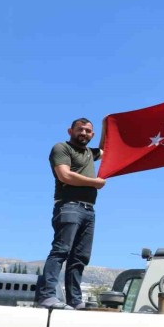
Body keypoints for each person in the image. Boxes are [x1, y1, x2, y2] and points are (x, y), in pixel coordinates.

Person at [38, 118, 105, 309]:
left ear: (92, 135)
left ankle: (75, 300)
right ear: (70, 131)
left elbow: (107, 150)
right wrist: (94, 182)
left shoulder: (90, 154)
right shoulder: (62, 148)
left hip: (89, 210)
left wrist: (106, 125)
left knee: (80, 257)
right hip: (69, 206)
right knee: (61, 250)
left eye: (88, 131)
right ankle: (47, 296)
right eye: (80, 129)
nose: (84, 133)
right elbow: (64, 175)